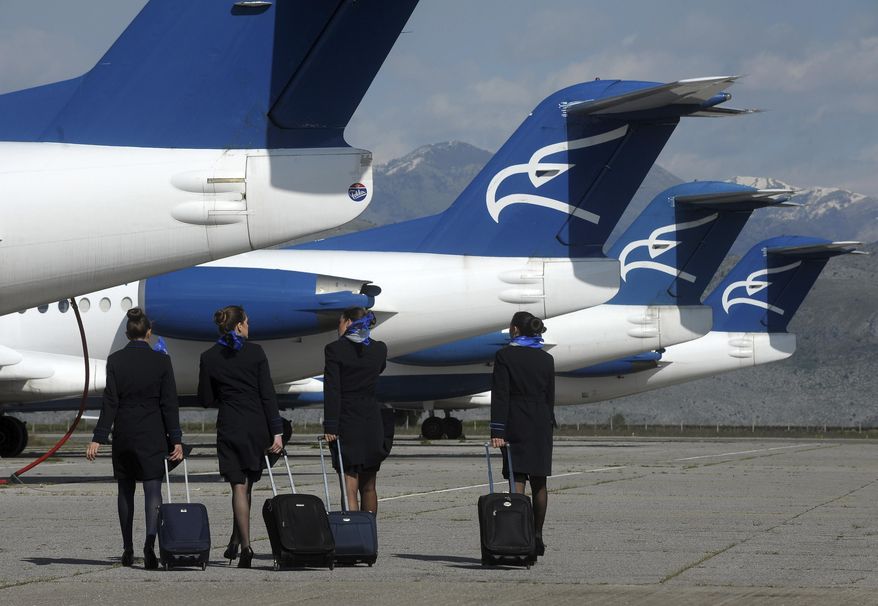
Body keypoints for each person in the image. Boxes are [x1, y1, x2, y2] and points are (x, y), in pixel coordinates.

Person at [86, 308, 183, 569]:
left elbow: (110, 402)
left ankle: (127, 548)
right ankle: (150, 546)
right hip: (152, 434)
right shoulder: (162, 362)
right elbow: (169, 404)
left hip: (125, 433)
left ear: (128, 333)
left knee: (125, 490)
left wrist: (99, 437)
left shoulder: (115, 361)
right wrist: (176, 438)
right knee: (153, 490)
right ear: (149, 333)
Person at [197, 305, 283, 568]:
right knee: (249, 485)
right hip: (256, 425)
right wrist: (277, 431)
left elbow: (205, 398)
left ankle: (243, 545)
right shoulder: (256, 352)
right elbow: (267, 394)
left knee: (238, 486)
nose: (249, 325)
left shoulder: (209, 356)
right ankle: (238, 541)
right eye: (247, 322)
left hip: (230, 424)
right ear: (239, 326)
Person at [489, 311, 556, 558]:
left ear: (515, 329)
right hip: (540, 422)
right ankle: (537, 536)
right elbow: (550, 396)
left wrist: (497, 429)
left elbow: (501, 394)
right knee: (540, 482)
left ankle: (518, 537)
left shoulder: (505, 355)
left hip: (516, 420)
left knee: (516, 481)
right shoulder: (546, 358)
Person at [322, 307, 388, 515]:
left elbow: (332, 389)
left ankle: (353, 535)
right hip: (371, 419)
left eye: (340, 322)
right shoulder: (380, 349)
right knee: (369, 485)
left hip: (347, 420)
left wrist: (330, 425)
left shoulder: (334, 349)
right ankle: (369, 537)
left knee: (349, 485)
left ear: (348, 322)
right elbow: (378, 370)